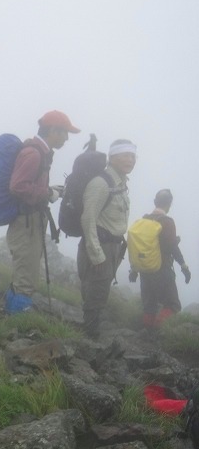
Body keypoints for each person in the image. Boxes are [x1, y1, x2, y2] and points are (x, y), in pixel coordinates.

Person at [5, 110, 80, 313]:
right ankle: (18, 320)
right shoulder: (34, 153)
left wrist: (49, 190)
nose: (66, 138)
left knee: (26, 268)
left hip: (30, 219)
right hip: (26, 221)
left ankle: (12, 312)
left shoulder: (40, 152)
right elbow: (18, 186)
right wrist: (47, 193)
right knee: (26, 272)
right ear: (53, 130)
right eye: (65, 133)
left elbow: (27, 184)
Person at [78, 139, 137, 337]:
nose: (131, 159)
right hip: (99, 246)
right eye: (125, 155)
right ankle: (88, 339)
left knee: (100, 291)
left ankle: (90, 333)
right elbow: (88, 219)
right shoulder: (101, 183)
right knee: (96, 294)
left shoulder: (119, 183)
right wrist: (96, 254)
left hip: (112, 246)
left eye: (133, 155)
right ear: (112, 157)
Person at [129, 189, 191, 329]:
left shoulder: (143, 219)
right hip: (162, 269)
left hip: (144, 269)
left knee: (149, 306)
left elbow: (136, 246)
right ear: (169, 204)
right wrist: (184, 266)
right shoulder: (167, 222)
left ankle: (146, 335)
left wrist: (134, 269)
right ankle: (157, 332)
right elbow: (172, 247)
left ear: (155, 202)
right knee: (173, 304)